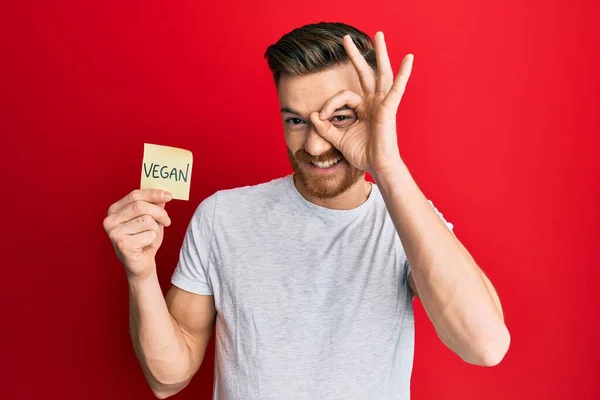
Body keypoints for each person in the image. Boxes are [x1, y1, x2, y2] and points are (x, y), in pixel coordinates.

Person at [103, 22, 510, 400]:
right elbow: (166, 379)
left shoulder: (406, 220)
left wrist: (386, 166)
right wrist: (140, 276)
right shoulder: (221, 218)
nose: (315, 146)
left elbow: (484, 345)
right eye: (296, 120)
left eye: (340, 118)